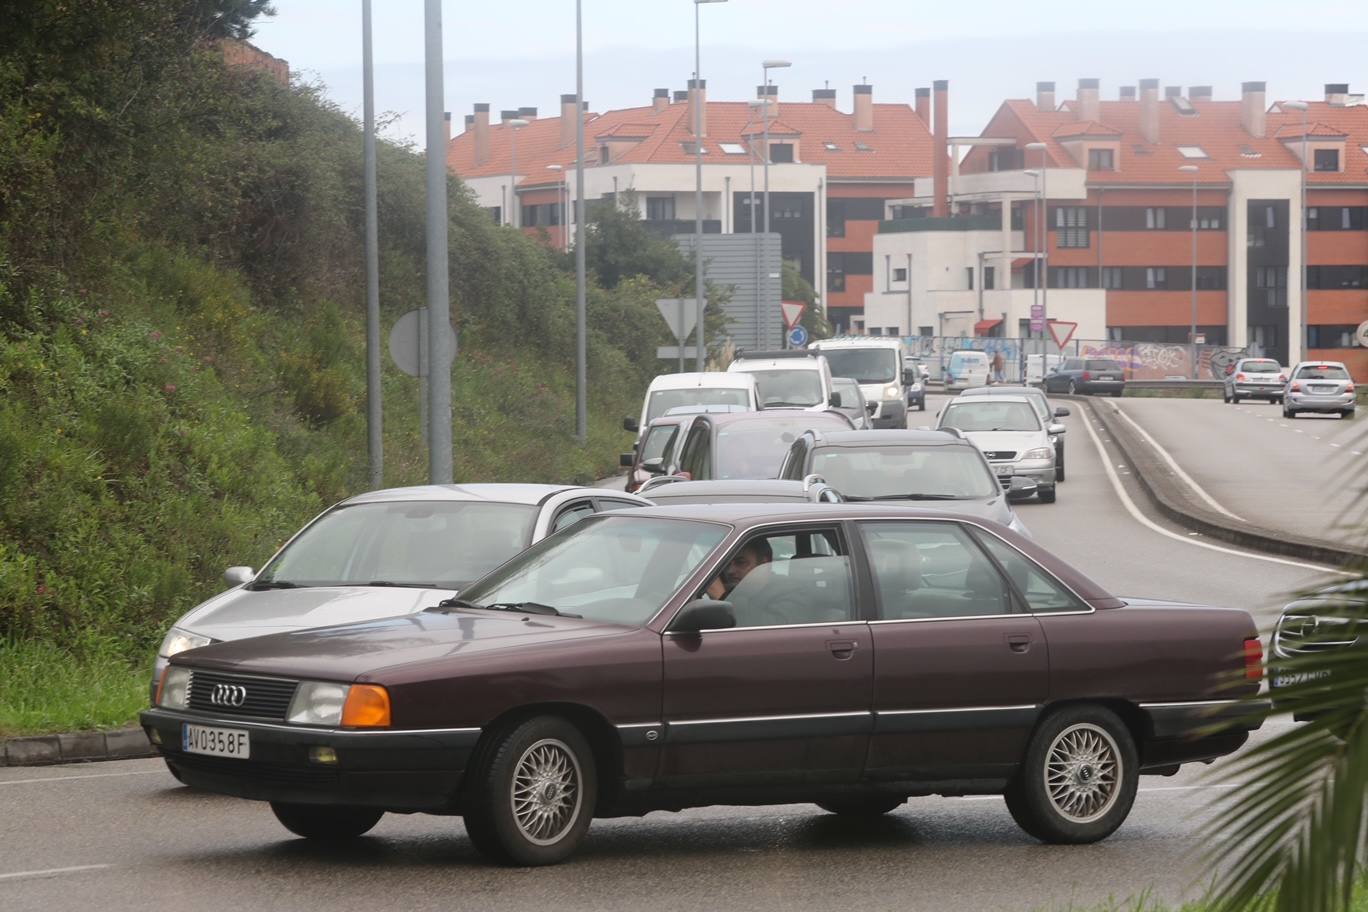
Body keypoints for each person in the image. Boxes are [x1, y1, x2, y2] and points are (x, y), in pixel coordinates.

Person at [705, 538, 773, 600]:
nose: (730, 571)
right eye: (727, 564)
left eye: (740, 562)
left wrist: (720, 596)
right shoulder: (735, 589)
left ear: (764, 563)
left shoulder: (781, 592)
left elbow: (746, 613)